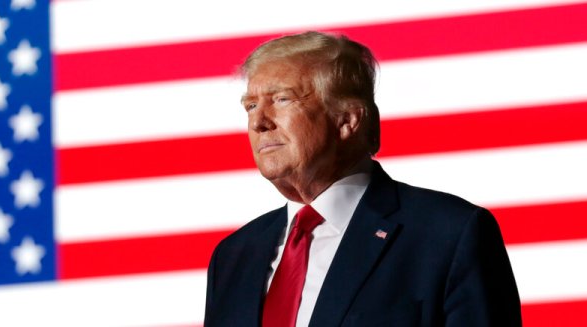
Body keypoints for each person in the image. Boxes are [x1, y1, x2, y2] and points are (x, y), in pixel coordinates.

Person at [203, 31, 521, 327]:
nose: (258, 121)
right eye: (251, 105)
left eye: (283, 99)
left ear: (347, 120)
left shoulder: (449, 234)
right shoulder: (234, 256)